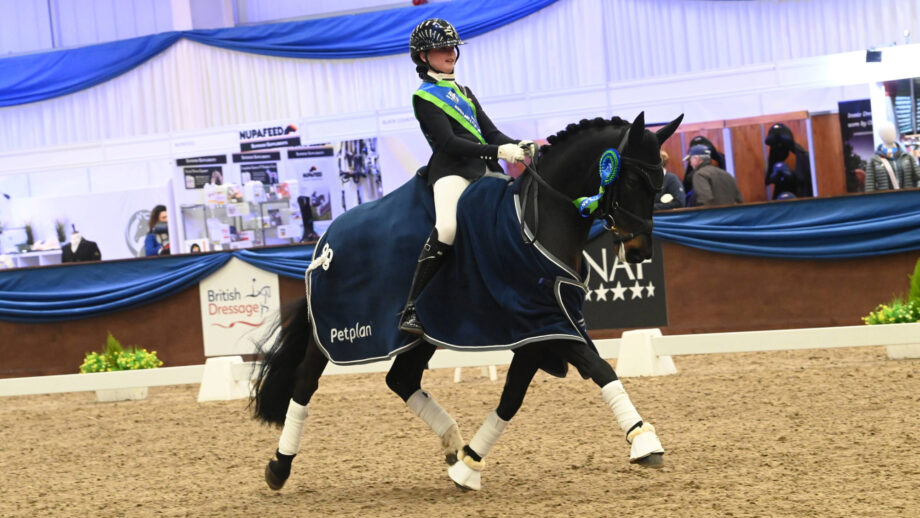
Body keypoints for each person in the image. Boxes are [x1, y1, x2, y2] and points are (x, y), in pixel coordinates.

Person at [398, 18, 531, 334]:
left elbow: (491, 132)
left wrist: (516, 145)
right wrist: (496, 153)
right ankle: (411, 308)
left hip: (484, 170)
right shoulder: (425, 97)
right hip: (451, 170)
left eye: (452, 48)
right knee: (447, 227)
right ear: (423, 56)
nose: (450, 54)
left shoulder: (465, 92)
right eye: (441, 49)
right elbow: (449, 143)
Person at [865, 120, 920, 192]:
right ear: (880, 136)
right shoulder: (874, 161)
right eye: (885, 133)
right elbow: (869, 187)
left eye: (892, 131)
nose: (890, 134)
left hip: (907, 200)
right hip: (885, 200)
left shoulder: (908, 157)